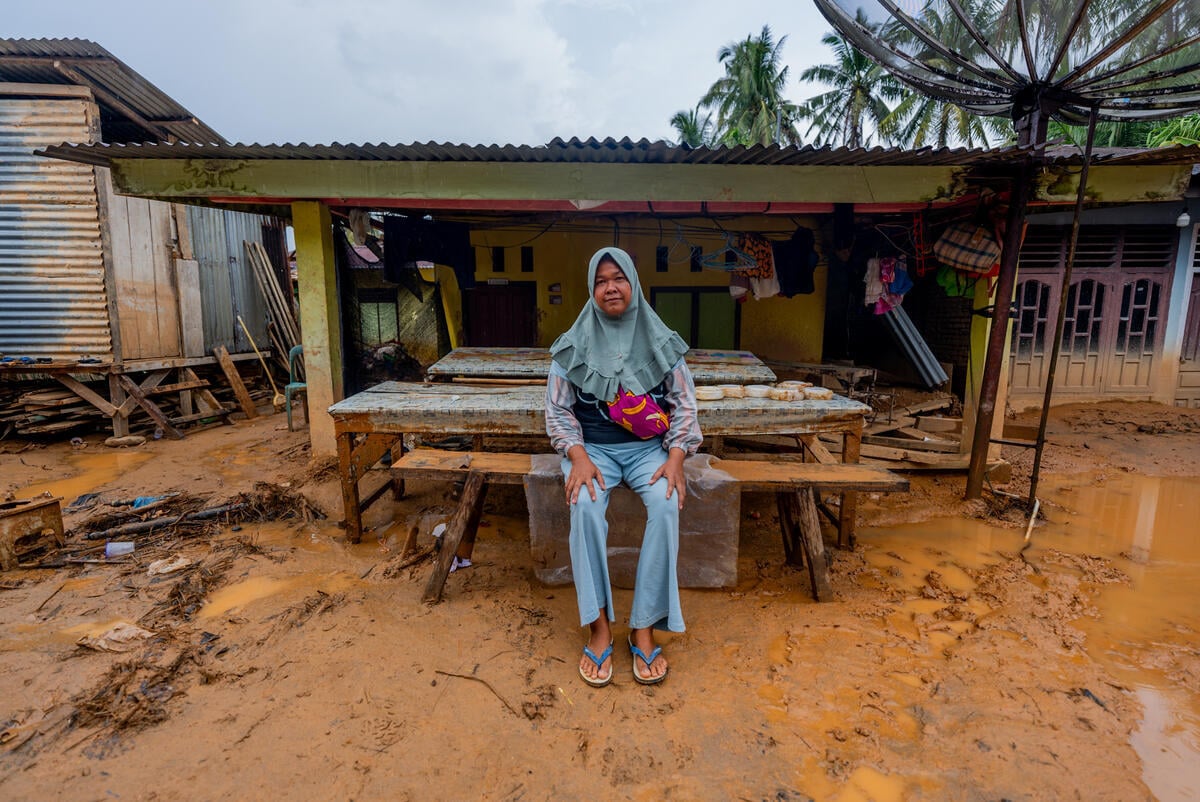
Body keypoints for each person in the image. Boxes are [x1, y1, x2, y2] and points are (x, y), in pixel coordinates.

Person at [545, 246, 702, 686]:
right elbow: (558, 412)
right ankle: (598, 628)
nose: (610, 287)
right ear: (591, 290)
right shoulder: (572, 345)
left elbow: (685, 407)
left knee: (667, 504)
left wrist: (676, 458)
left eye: (618, 278)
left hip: (649, 452)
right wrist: (576, 456)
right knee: (585, 507)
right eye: (600, 281)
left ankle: (644, 627)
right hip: (592, 451)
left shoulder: (660, 339)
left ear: (633, 284)